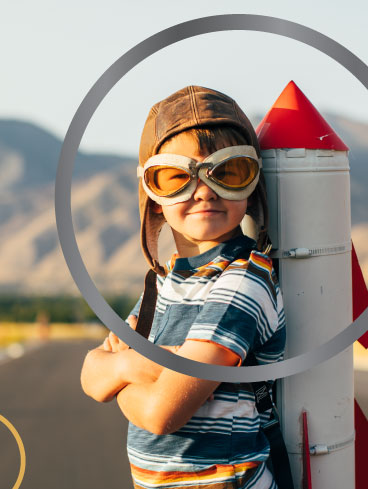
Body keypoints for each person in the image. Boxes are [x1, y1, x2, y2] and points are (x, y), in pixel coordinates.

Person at [80, 86, 287, 489]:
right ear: (154, 196)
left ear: (252, 184)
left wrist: (122, 376)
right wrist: (134, 366)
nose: (205, 190)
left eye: (228, 172)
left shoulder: (244, 281)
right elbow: (91, 376)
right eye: (177, 176)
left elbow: (161, 413)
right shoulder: (161, 285)